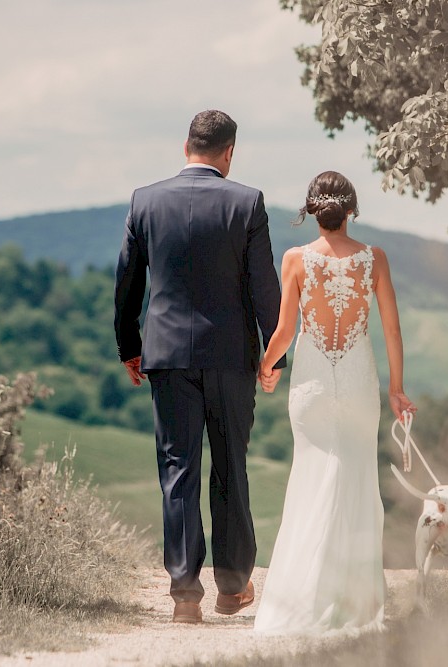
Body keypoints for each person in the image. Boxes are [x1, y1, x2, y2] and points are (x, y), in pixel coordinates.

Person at [113, 110, 286, 624]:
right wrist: (275, 355)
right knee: (231, 466)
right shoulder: (247, 202)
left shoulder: (145, 200)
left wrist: (129, 346)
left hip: (166, 357)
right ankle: (232, 589)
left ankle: (185, 596)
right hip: (232, 357)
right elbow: (264, 288)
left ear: (185, 145)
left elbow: (127, 283)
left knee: (178, 470)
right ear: (228, 152)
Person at [253, 171, 416, 635]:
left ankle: (301, 599)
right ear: (352, 211)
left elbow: (285, 332)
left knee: (311, 477)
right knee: (356, 480)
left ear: (311, 211)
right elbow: (391, 330)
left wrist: (265, 367)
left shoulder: (295, 259)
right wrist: (397, 387)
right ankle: (355, 606)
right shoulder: (375, 259)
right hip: (359, 380)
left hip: (313, 384)